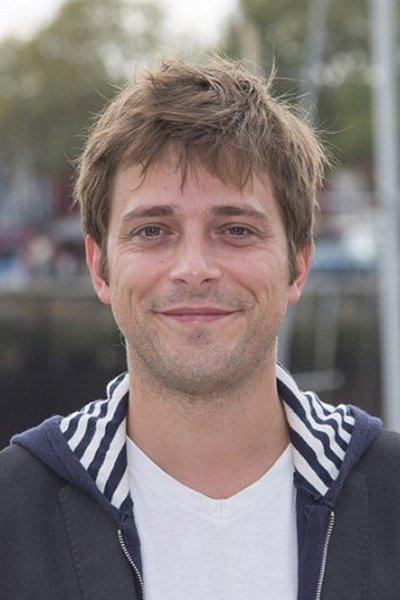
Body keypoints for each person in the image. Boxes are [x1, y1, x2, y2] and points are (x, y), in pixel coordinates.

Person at [0, 57, 397, 600]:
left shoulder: (391, 494)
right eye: (152, 230)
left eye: (236, 230)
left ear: (298, 265)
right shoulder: (13, 512)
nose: (194, 268)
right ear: (99, 267)